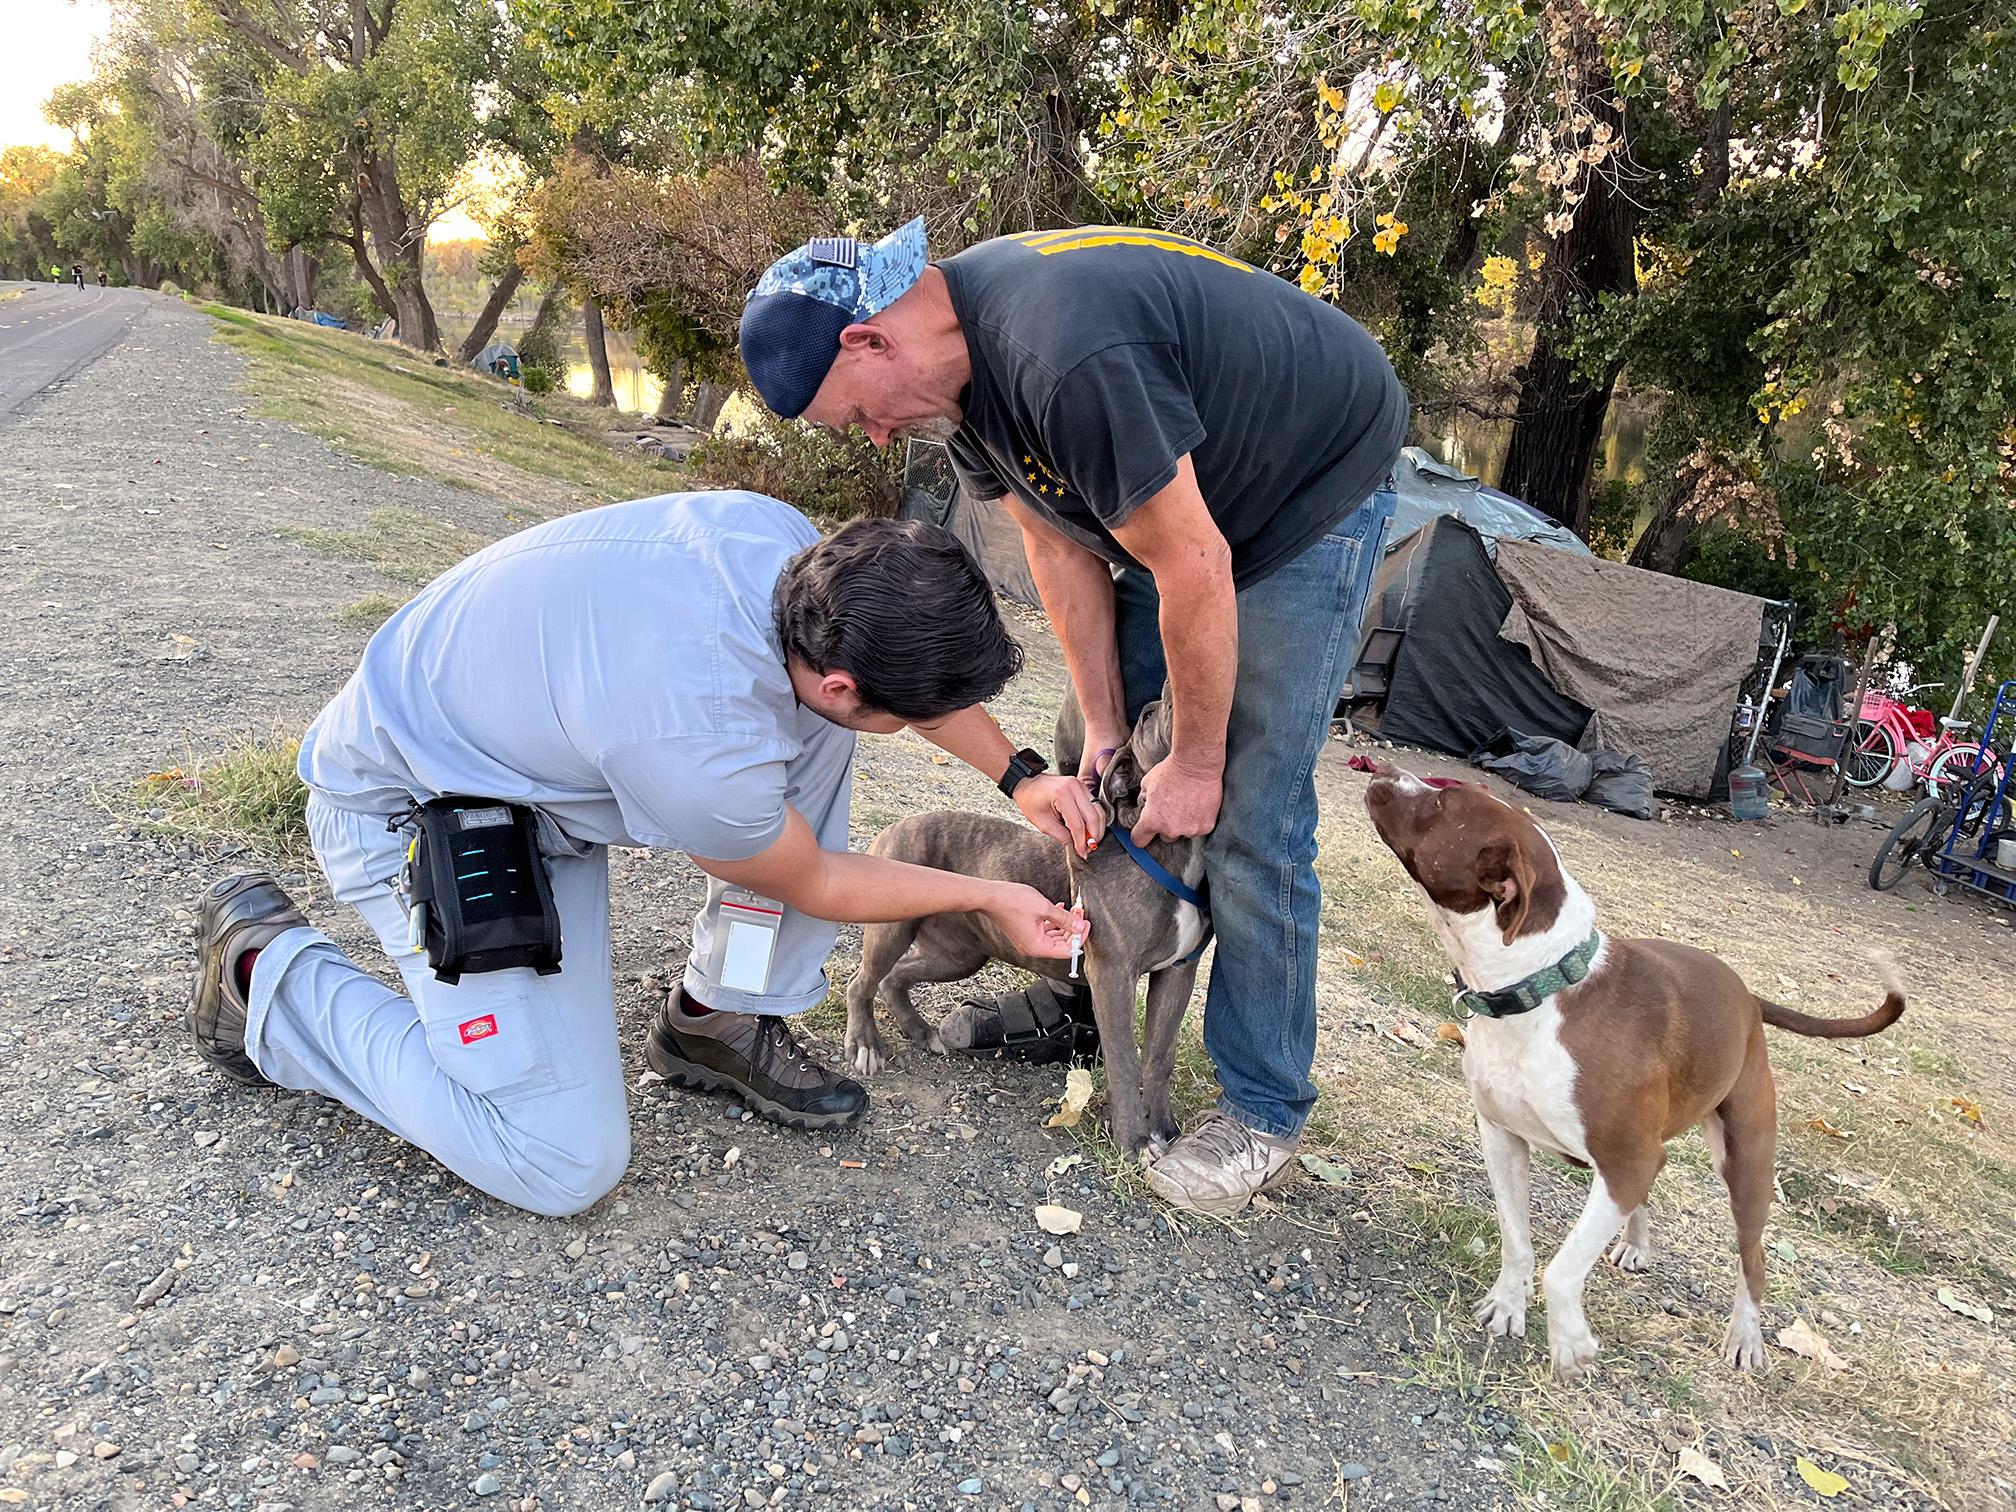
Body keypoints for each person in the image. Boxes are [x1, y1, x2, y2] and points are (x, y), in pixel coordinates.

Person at [739, 221, 1407, 1215]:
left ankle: (1261, 1114)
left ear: (868, 343)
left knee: (1248, 809)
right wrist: (1100, 723)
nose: (877, 437)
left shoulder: (1059, 355)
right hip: (1183, 511)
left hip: (1299, 494)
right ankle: (1084, 987)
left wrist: (1196, 762)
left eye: (857, 417)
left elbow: (1197, 566)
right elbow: (1058, 548)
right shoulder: (964, 392)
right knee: (1095, 754)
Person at [186, 495, 1097, 1216]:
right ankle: (269, 977)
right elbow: (816, 878)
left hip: (525, 766)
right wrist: (994, 894)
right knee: (559, 1157)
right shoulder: (700, 749)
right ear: (843, 681)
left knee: (821, 738)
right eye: (905, 711)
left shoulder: (783, 550)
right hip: (420, 813)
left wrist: (1020, 779)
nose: (915, 724)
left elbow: (883, 688)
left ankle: (718, 1013)